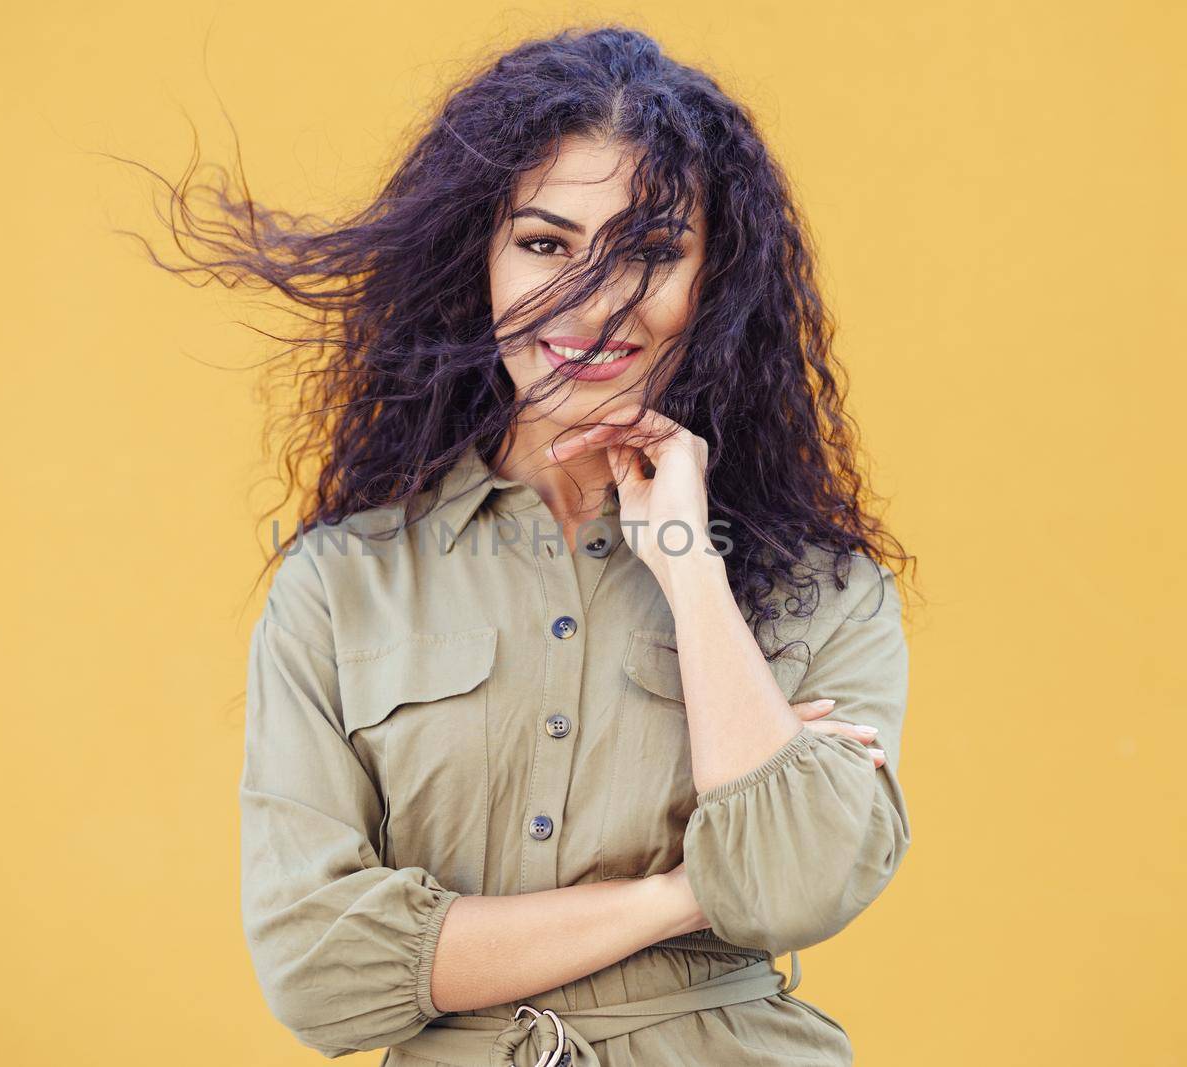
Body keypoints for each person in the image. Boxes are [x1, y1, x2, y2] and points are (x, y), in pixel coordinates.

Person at [133, 24, 917, 1067]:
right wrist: (686, 892)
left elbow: (794, 887)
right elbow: (318, 970)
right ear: (481, 263)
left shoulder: (825, 592)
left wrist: (688, 566)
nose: (591, 301)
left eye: (647, 251)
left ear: (713, 283)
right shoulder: (339, 585)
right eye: (545, 243)